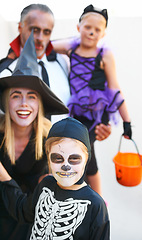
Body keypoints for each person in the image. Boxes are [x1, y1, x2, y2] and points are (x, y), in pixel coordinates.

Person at [0, 4, 112, 196]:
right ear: (20, 27)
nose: (40, 38)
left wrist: (101, 123)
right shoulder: (5, 72)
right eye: (34, 30)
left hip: (65, 163)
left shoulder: (62, 62)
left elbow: (83, 98)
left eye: (46, 32)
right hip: (22, 172)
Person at [52, 4, 132, 195]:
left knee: (86, 155)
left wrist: (127, 121)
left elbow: (115, 88)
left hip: (97, 114)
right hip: (77, 113)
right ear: (78, 27)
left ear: (103, 34)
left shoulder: (104, 54)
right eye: (88, 27)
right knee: (82, 154)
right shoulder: (71, 48)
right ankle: (86, 197)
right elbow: (46, 44)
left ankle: (98, 201)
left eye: (97, 30)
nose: (91, 33)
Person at [0, 31, 68, 240]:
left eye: (31, 97)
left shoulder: (52, 143)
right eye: (16, 96)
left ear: (40, 104)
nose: (23, 104)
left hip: (28, 229)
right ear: (5, 102)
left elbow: (31, 211)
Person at [0, 117, 110, 240]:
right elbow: (23, 211)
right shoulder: (46, 185)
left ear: (86, 159)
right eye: (58, 158)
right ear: (48, 159)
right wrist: (3, 174)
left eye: (74, 159)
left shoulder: (95, 204)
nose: (66, 166)